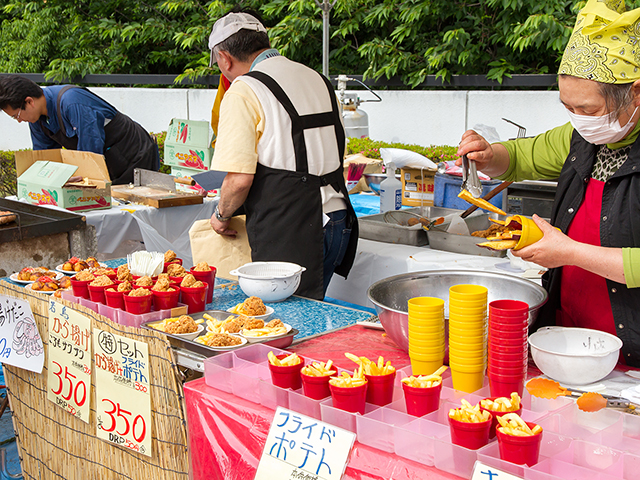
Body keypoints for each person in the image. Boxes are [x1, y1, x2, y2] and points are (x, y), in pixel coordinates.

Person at [457, 0, 640, 367]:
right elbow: (525, 154)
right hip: (569, 338)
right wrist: (488, 154)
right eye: (567, 108)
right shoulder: (582, 139)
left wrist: (568, 251)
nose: (578, 121)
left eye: (587, 110)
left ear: (636, 93)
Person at [207, 11, 358, 301]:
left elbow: (239, 180)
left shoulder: (244, 90)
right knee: (312, 317)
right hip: (339, 222)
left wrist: (220, 214)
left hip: (293, 230)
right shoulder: (318, 79)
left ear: (224, 58)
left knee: (285, 328)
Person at [0, 75, 159, 185]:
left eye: (17, 116)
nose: (19, 121)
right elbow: (45, 160)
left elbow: (90, 151)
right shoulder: (36, 120)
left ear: (29, 102)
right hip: (109, 164)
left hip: (135, 155)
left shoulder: (72, 102)